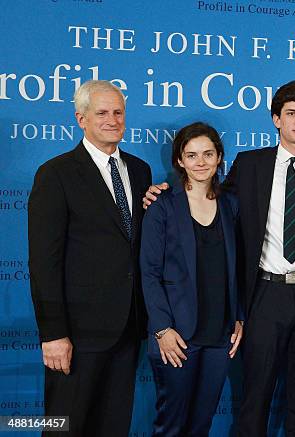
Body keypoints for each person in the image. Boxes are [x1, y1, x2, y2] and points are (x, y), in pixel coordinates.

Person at [144, 80, 295, 436]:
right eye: (290, 114)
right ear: (275, 119)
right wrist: (159, 192)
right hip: (264, 294)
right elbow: (211, 198)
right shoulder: (250, 164)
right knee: (255, 397)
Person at [28, 80, 152, 436]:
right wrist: (53, 334)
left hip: (128, 328)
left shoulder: (140, 170)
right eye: (102, 113)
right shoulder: (56, 174)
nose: (112, 120)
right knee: (64, 427)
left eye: (118, 112)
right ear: (81, 119)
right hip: (76, 336)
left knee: (113, 426)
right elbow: (43, 263)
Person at [140, 122, 243, 436]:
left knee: (201, 424)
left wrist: (239, 318)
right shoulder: (162, 206)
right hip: (177, 337)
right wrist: (161, 329)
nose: (201, 162)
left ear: (219, 157)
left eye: (208, 154)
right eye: (192, 155)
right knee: (171, 425)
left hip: (219, 336)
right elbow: (149, 272)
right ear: (179, 161)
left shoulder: (230, 205)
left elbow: (236, 268)